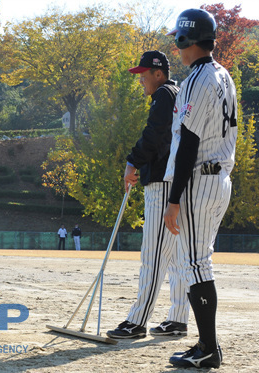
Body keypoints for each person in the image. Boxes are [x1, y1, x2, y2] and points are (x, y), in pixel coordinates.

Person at [163, 9, 236, 369]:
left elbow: (188, 143)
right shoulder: (224, 75)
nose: (177, 46)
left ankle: (208, 347)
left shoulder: (195, 79)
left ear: (185, 40)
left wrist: (173, 199)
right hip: (220, 177)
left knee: (195, 264)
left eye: (178, 39)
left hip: (200, 179)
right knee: (199, 261)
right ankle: (207, 345)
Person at [107, 51, 190, 340]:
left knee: (154, 255)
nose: (140, 79)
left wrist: (133, 161)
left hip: (162, 181)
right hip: (178, 182)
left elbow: (154, 133)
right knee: (179, 257)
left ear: (159, 73)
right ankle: (178, 319)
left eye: (144, 74)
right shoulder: (179, 92)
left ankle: (137, 321)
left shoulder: (164, 94)